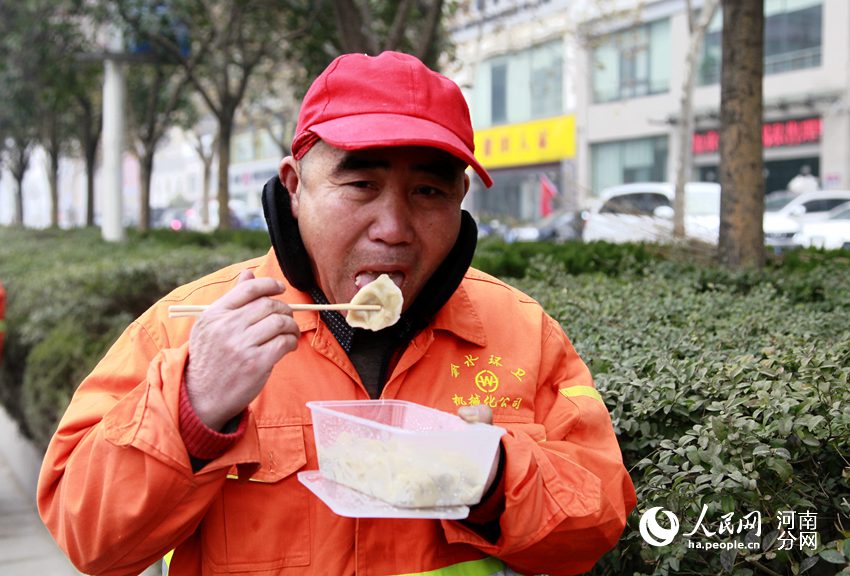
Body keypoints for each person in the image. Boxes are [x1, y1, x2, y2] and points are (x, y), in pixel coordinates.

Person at [37, 51, 636, 576]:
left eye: (428, 192)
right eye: (360, 186)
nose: (394, 229)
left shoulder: (521, 332)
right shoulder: (186, 327)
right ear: (295, 187)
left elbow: (597, 522)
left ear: (460, 200)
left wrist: (489, 478)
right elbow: (90, 540)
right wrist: (191, 408)